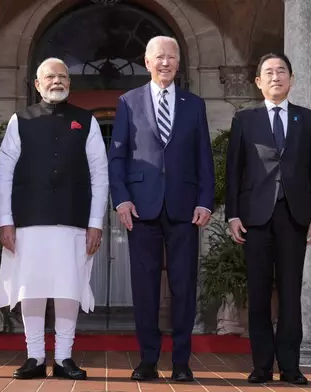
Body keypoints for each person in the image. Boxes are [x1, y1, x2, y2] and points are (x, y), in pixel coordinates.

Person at [0, 57, 109, 380]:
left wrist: (95, 222)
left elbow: (100, 174)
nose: (57, 81)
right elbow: (4, 172)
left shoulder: (86, 121)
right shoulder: (21, 120)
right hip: (28, 220)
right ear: (37, 84)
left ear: (69, 83)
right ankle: (34, 356)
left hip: (73, 221)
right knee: (31, 288)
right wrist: (4, 219)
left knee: (67, 288)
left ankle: (63, 358)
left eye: (62, 77)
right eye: (50, 77)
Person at [108, 36, 215, 382]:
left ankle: (182, 362)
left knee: (184, 286)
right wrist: (121, 198)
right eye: (159, 57)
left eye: (171, 57)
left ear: (179, 63)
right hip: (141, 208)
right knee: (145, 287)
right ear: (147, 61)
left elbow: (204, 158)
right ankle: (148, 360)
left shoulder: (194, 104)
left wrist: (204, 200)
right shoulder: (127, 102)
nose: (165, 63)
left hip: (185, 208)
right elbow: (118, 157)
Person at [224, 53, 311, 385]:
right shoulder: (244, 119)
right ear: (258, 81)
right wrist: (233, 214)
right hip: (255, 217)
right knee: (257, 293)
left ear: (292, 79)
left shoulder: (308, 119)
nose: (275, 77)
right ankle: (261, 366)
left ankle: (291, 366)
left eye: (281, 72)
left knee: (290, 292)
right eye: (268, 72)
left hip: (294, 216)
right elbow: (234, 170)